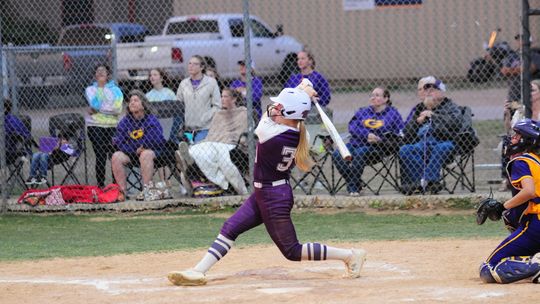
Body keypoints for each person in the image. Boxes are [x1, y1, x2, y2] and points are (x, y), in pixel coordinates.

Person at [167, 87, 366, 286]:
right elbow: (280, 111)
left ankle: (350, 256)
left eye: (281, 106)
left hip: (273, 197)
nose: (276, 107)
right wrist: (302, 95)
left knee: (292, 251)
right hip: (267, 192)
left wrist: (300, 91)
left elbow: (269, 112)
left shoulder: (273, 133)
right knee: (230, 227)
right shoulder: (294, 131)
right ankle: (197, 271)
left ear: (289, 113)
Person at [479, 119, 540, 284]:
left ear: (526, 140)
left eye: (516, 135)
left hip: (537, 225)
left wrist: (501, 207)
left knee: (488, 268)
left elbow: (529, 191)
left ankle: (537, 266)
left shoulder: (522, 161)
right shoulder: (537, 161)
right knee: (511, 219)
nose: (512, 139)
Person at [176, 88, 248, 195]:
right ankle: (188, 157)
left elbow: (241, 132)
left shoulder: (243, 113)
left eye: (225, 97)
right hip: (213, 142)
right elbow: (212, 133)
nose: (222, 99)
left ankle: (190, 160)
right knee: (200, 147)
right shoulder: (218, 114)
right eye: (221, 96)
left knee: (217, 152)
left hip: (230, 144)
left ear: (234, 99)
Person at [332, 87, 403, 196]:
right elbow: (352, 127)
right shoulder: (363, 111)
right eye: (372, 95)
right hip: (355, 143)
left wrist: (381, 139)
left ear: (386, 98)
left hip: (378, 149)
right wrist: (366, 135)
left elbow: (399, 133)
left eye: (377, 95)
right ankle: (355, 182)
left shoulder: (393, 114)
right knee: (337, 154)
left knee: (360, 152)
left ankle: (353, 188)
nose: (373, 97)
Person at [399, 76, 462, 195]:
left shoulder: (450, 106)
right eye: (427, 90)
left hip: (443, 142)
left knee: (442, 148)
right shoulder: (419, 108)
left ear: (442, 92)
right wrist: (417, 122)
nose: (429, 92)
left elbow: (454, 126)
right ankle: (423, 183)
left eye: (433, 90)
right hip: (422, 144)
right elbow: (407, 134)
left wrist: (433, 115)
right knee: (405, 150)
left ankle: (428, 181)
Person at [112, 90, 167, 201]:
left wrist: (143, 146)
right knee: (116, 156)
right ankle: (122, 192)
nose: (132, 103)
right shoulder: (125, 121)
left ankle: (147, 190)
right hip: (133, 153)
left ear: (143, 105)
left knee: (145, 153)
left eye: (136, 100)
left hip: (154, 153)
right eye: (130, 101)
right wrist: (134, 150)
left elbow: (156, 139)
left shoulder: (151, 119)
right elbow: (119, 141)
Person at [85, 64, 124, 188]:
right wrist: (100, 88)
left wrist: (98, 109)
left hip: (113, 126)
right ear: (95, 75)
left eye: (104, 71)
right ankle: (100, 186)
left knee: (114, 156)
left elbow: (117, 109)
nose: (101, 72)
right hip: (95, 126)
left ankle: (115, 186)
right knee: (100, 155)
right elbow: (95, 105)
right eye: (98, 71)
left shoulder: (116, 90)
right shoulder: (90, 89)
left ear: (108, 74)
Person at [500, 79, 540, 191]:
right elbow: (510, 131)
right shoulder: (521, 110)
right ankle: (508, 179)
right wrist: (507, 114)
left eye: (532, 90)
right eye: (528, 91)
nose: (529, 93)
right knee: (507, 141)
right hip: (524, 143)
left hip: (537, 144)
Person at [175, 55, 221, 144]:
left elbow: (217, 106)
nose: (191, 66)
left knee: (198, 149)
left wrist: (205, 117)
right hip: (187, 128)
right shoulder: (183, 83)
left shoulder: (211, 82)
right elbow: (178, 104)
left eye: (195, 64)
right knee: (186, 151)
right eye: (189, 63)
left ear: (202, 67)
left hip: (204, 128)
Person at [500, 34, 540, 103]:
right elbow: (504, 71)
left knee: (518, 81)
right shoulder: (512, 56)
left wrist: (512, 70)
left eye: (521, 40)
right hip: (515, 85)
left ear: (528, 42)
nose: (519, 42)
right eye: (518, 40)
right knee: (515, 82)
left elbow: (531, 69)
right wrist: (520, 69)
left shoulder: (534, 54)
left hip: (530, 81)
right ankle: (513, 108)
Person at [3, 98, 31, 166]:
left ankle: (19, 157)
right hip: (14, 152)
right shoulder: (15, 119)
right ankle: (20, 157)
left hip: (8, 153)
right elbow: (27, 135)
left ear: (4, 109)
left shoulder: (9, 121)